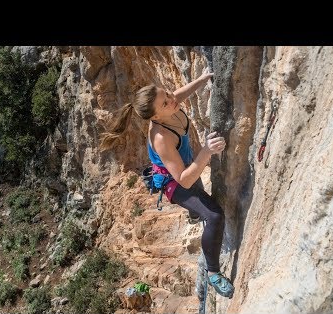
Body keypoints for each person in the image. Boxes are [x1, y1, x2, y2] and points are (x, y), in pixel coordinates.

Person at [100, 72, 234, 298]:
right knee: (214, 216)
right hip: (174, 183)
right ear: (155, 116)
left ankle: (193, 211)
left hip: (185, 166)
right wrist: (207, 151)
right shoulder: (161, 137)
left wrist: (204, 78)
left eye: (167, 93)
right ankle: (213, 274)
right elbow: (184, 179)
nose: (172, 99)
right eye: (165, 101)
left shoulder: (169, 105)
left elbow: (180, 94)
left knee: (199, 197)